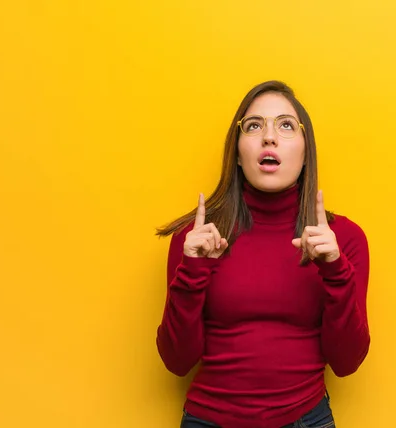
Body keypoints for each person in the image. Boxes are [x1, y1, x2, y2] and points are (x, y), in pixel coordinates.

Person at [155, 80, 370, 428]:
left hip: (306, 419)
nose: (269, 137)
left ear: (305, 151)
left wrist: (335, 270)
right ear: (238, 155)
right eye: (254, 126)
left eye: (286, 125)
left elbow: (346, 362)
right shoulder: (195, 239)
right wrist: (193, 269)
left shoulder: (343, 239)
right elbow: (177, 361)